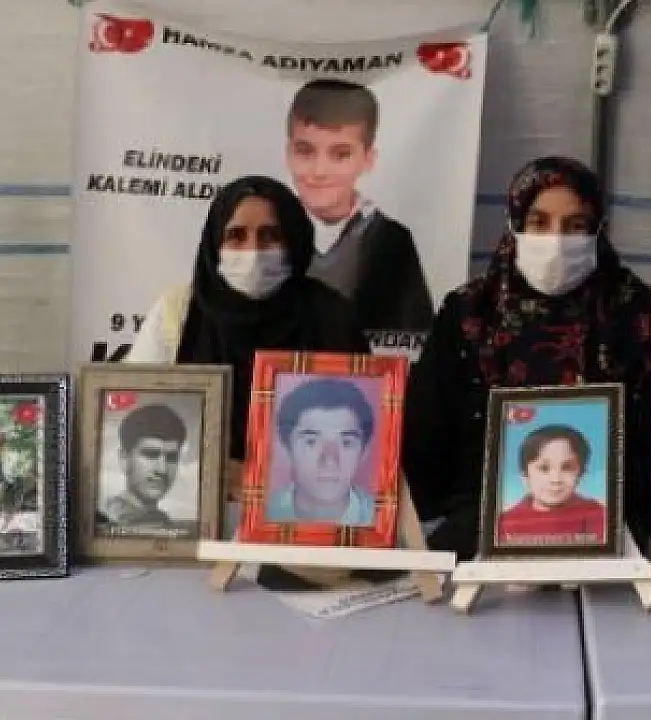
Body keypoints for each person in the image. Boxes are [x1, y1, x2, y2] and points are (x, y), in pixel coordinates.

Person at [403, 156, 651, 560]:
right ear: (514, 225)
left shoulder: (641, 317)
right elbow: (425, 436)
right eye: (539, 222)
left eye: (575, 225)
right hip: (477, 537)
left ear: (599, 229)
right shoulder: (470, 314)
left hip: (614, 542)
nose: (557, 240)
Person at [126, 176, 369, 463]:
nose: (253, 251)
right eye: (236, 236)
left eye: (270, 235)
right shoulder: (177, 311)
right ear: (215, 243)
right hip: (196, 486)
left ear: (294, 240)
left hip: (307, 487)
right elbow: (135, 410)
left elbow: (363, 430)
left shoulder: (332, 316)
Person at [285, 79, 434, 352]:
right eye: (305, 151)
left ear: (367, 160)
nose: (319, 171)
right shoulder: (271, 233)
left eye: (340, 155)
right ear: (288, 153)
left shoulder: (390, 241)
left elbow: (409, 342)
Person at [267, 377, 376, 526]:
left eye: (346, 443)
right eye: (311, 442)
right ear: (287, 448)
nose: (330, 460)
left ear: (364, 453)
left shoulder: (382, 520)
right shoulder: (262, 515)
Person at [496, 424, 607, 546]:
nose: (555, 479)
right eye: (544, 468)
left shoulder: (599, 516)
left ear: (581, 474)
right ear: (525, 476)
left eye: (567, 468)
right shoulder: (505, 524)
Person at [95, 403, 188, 533]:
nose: (162, 469)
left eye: (172, 457)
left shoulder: (162, 522)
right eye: (151, 454)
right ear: (124, 459)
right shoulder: (104, 522)